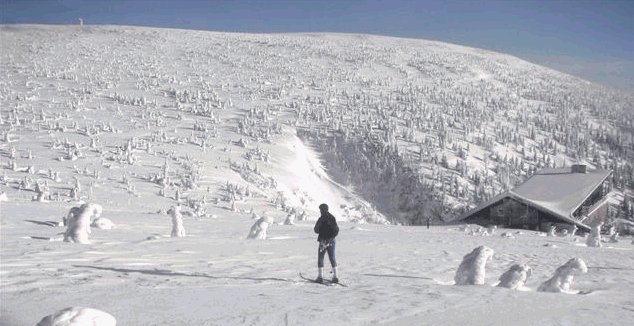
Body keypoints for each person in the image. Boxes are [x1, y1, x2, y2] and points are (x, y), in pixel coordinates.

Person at [314, 203, 339, 283]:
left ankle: (320, 277)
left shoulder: (321, 219)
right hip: (331, 241)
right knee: (332, 258)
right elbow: (336, 230)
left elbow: (316, 230)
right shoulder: (332, 218)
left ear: (322, 210)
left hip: (323, 241)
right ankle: (335, 277)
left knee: (321, 258)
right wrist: (331, 238)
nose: (320, 211)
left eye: (320, 210)